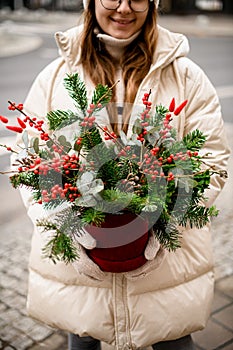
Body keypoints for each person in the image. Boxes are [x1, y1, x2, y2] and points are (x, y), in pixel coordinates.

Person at [20, 0, 230, 349]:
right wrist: (63, 222)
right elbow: (29, 160)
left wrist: (168, 223)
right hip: (80, 274)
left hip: (167, 271)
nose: (123, 8)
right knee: (82, 339)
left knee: (175, 343)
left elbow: (211, 158)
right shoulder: (56, 76)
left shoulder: (186, 77)